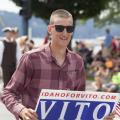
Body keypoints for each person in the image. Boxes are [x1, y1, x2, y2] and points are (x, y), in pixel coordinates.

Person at [1, 9, 115, 120]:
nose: (65, 33)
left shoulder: (78, 61)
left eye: (69, 29)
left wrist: (100, 116)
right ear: (50, 29)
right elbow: (8, 93)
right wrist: (22, 110)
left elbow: (80, 103)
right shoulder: (31, 58)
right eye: (60, 28)